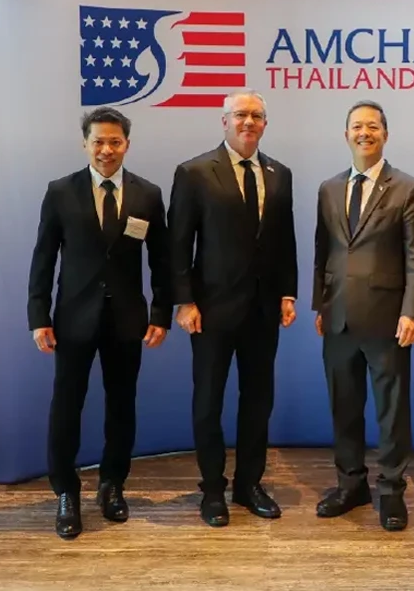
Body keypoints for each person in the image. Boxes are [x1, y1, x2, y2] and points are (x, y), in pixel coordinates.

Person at [26, 106, 172, 540]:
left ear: (127, 144)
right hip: (73, 320)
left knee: (121, 406)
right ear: (85, 144)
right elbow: (43, 258)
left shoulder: (148, 194)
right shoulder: (60, 191)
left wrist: (161, 313)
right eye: (98, 142)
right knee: (66, 407)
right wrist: (39, 316)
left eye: (114, 141)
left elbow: (162, 261)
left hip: (127, 320)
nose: (106, 149)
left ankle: (112, 486)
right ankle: (66, 492)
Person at [168, 88, 298, 527]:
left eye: (256, 116)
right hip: (211, 310)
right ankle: (212, 489)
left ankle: (248, 484)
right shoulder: (195, 172)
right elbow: (178, 244)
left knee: (258, 400)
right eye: (240, 115)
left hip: (263, 310)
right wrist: (184, 300)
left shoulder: (280, 174)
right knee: (208, 402)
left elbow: (284, 239)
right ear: (224, 121)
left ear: (265, 124)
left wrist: (288, 292)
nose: (248, 122)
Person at [311, 100, 414, 532]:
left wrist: (413, 311)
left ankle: (392, 491)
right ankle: (351, 485)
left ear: (385, 134)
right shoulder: (328, 188)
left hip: (388, 320)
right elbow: (322, 251)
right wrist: (320, 304)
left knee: (391, 412)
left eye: (373, 126)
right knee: (344, 407)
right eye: (357, 126)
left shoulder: (409, 188)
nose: (365, 133)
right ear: (346, 134)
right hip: (337, 317)